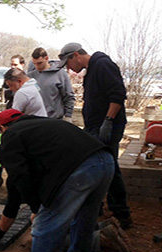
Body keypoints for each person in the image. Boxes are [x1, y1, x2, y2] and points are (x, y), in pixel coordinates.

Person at [0, 110, 116, 252]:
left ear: (1, 128)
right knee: (84, 219)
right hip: (105, 162)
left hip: (81, 170)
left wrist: (36, 209)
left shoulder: (11, 135)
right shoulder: (44, 125)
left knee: (47, 224)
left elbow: (20, 178)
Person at [58, 42, 132, 228]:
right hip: (95, 126)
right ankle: (95, 206)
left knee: (108, 166)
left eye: (68, 63)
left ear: (76, 55)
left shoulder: (102, 64)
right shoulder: (92, 69)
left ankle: (121, 214)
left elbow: (118, 94)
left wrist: (108, 120)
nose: (69, 69)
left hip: (106, 127)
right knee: (95, 165)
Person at [27, 47, 75, 120]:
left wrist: (68, 115)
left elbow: (69, 96)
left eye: (39, 63)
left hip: (55, 118)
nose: (37, 66)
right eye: (34, 64)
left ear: (46, 58)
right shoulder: (30, 76)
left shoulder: (60, 74)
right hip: (35, 118)